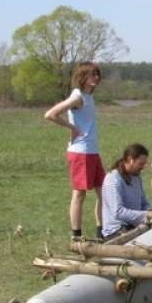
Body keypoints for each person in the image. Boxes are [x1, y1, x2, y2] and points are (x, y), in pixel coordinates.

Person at [44, 62, 104, 240]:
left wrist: (74, 127)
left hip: (92, 151)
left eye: (97, 74)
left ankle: (102, 231)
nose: (96, 77)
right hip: (81, 151)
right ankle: (76, 236)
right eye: (92, 74)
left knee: (104, 190)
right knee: (79, 193)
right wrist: (72, 127)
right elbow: (50, 114)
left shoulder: (88, 96)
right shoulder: (77, 97)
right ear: (83, 77)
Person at [101, 143, 151, 240]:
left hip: (135, 227)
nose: (143, 167)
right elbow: (118, 212)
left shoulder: (136, 178)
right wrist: (146, 215)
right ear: (130, 160)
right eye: (140, 164)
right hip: (116, 231)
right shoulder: (113, 179)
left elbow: (143, 203)